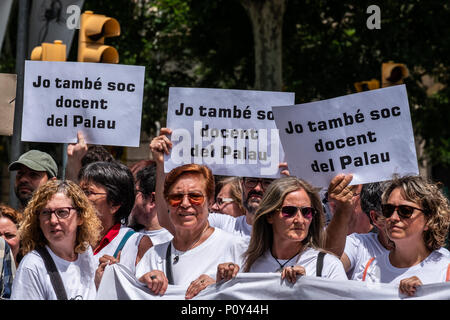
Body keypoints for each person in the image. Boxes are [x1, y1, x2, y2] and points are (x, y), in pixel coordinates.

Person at [135, 163, 248, 299]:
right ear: (167, 202)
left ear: (210, 201)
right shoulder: (153, 256)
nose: (185, 204)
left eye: (195, 196)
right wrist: (142, 283)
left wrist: (219, 289)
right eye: (176, 197)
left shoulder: (236, 248)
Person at [217, 176, 347, 283]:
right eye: (289, 211)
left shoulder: (328, 266)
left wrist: (308, 287)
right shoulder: (246, 262)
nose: (299, 220)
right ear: (269, 216)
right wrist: (222, 282)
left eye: (307, 212)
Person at [150, 128, 275, 239]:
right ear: (242, 185)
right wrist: (161, 165)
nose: (257, 188)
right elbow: (167, 220)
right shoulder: (224, 226)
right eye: (251, 181)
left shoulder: (287, 230)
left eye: (266, 183)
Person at [360, 175, 450, 296]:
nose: (393, 218)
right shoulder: (370, 268)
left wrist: (426, 294)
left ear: (429, 219)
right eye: (388, 210)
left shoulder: (446, 269)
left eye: (405, 210)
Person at [10, 180, 101, 300]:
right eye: (46, 213)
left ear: (80, 217)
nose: (53, 220)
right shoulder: (33, 267)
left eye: (62, 212)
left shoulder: (86, 253)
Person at [78, 161, 152, 274]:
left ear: (114, 204)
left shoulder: (137, 244)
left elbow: (147, 289)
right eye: (79, 192)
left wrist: (117, 279)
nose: (80, 200)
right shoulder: (70, 240)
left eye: (88, 192)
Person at [129, 164, 173, 246]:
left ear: (152, 199)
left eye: (135, 192)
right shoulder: (128, 237)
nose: (130, 198)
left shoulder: (175, 240)